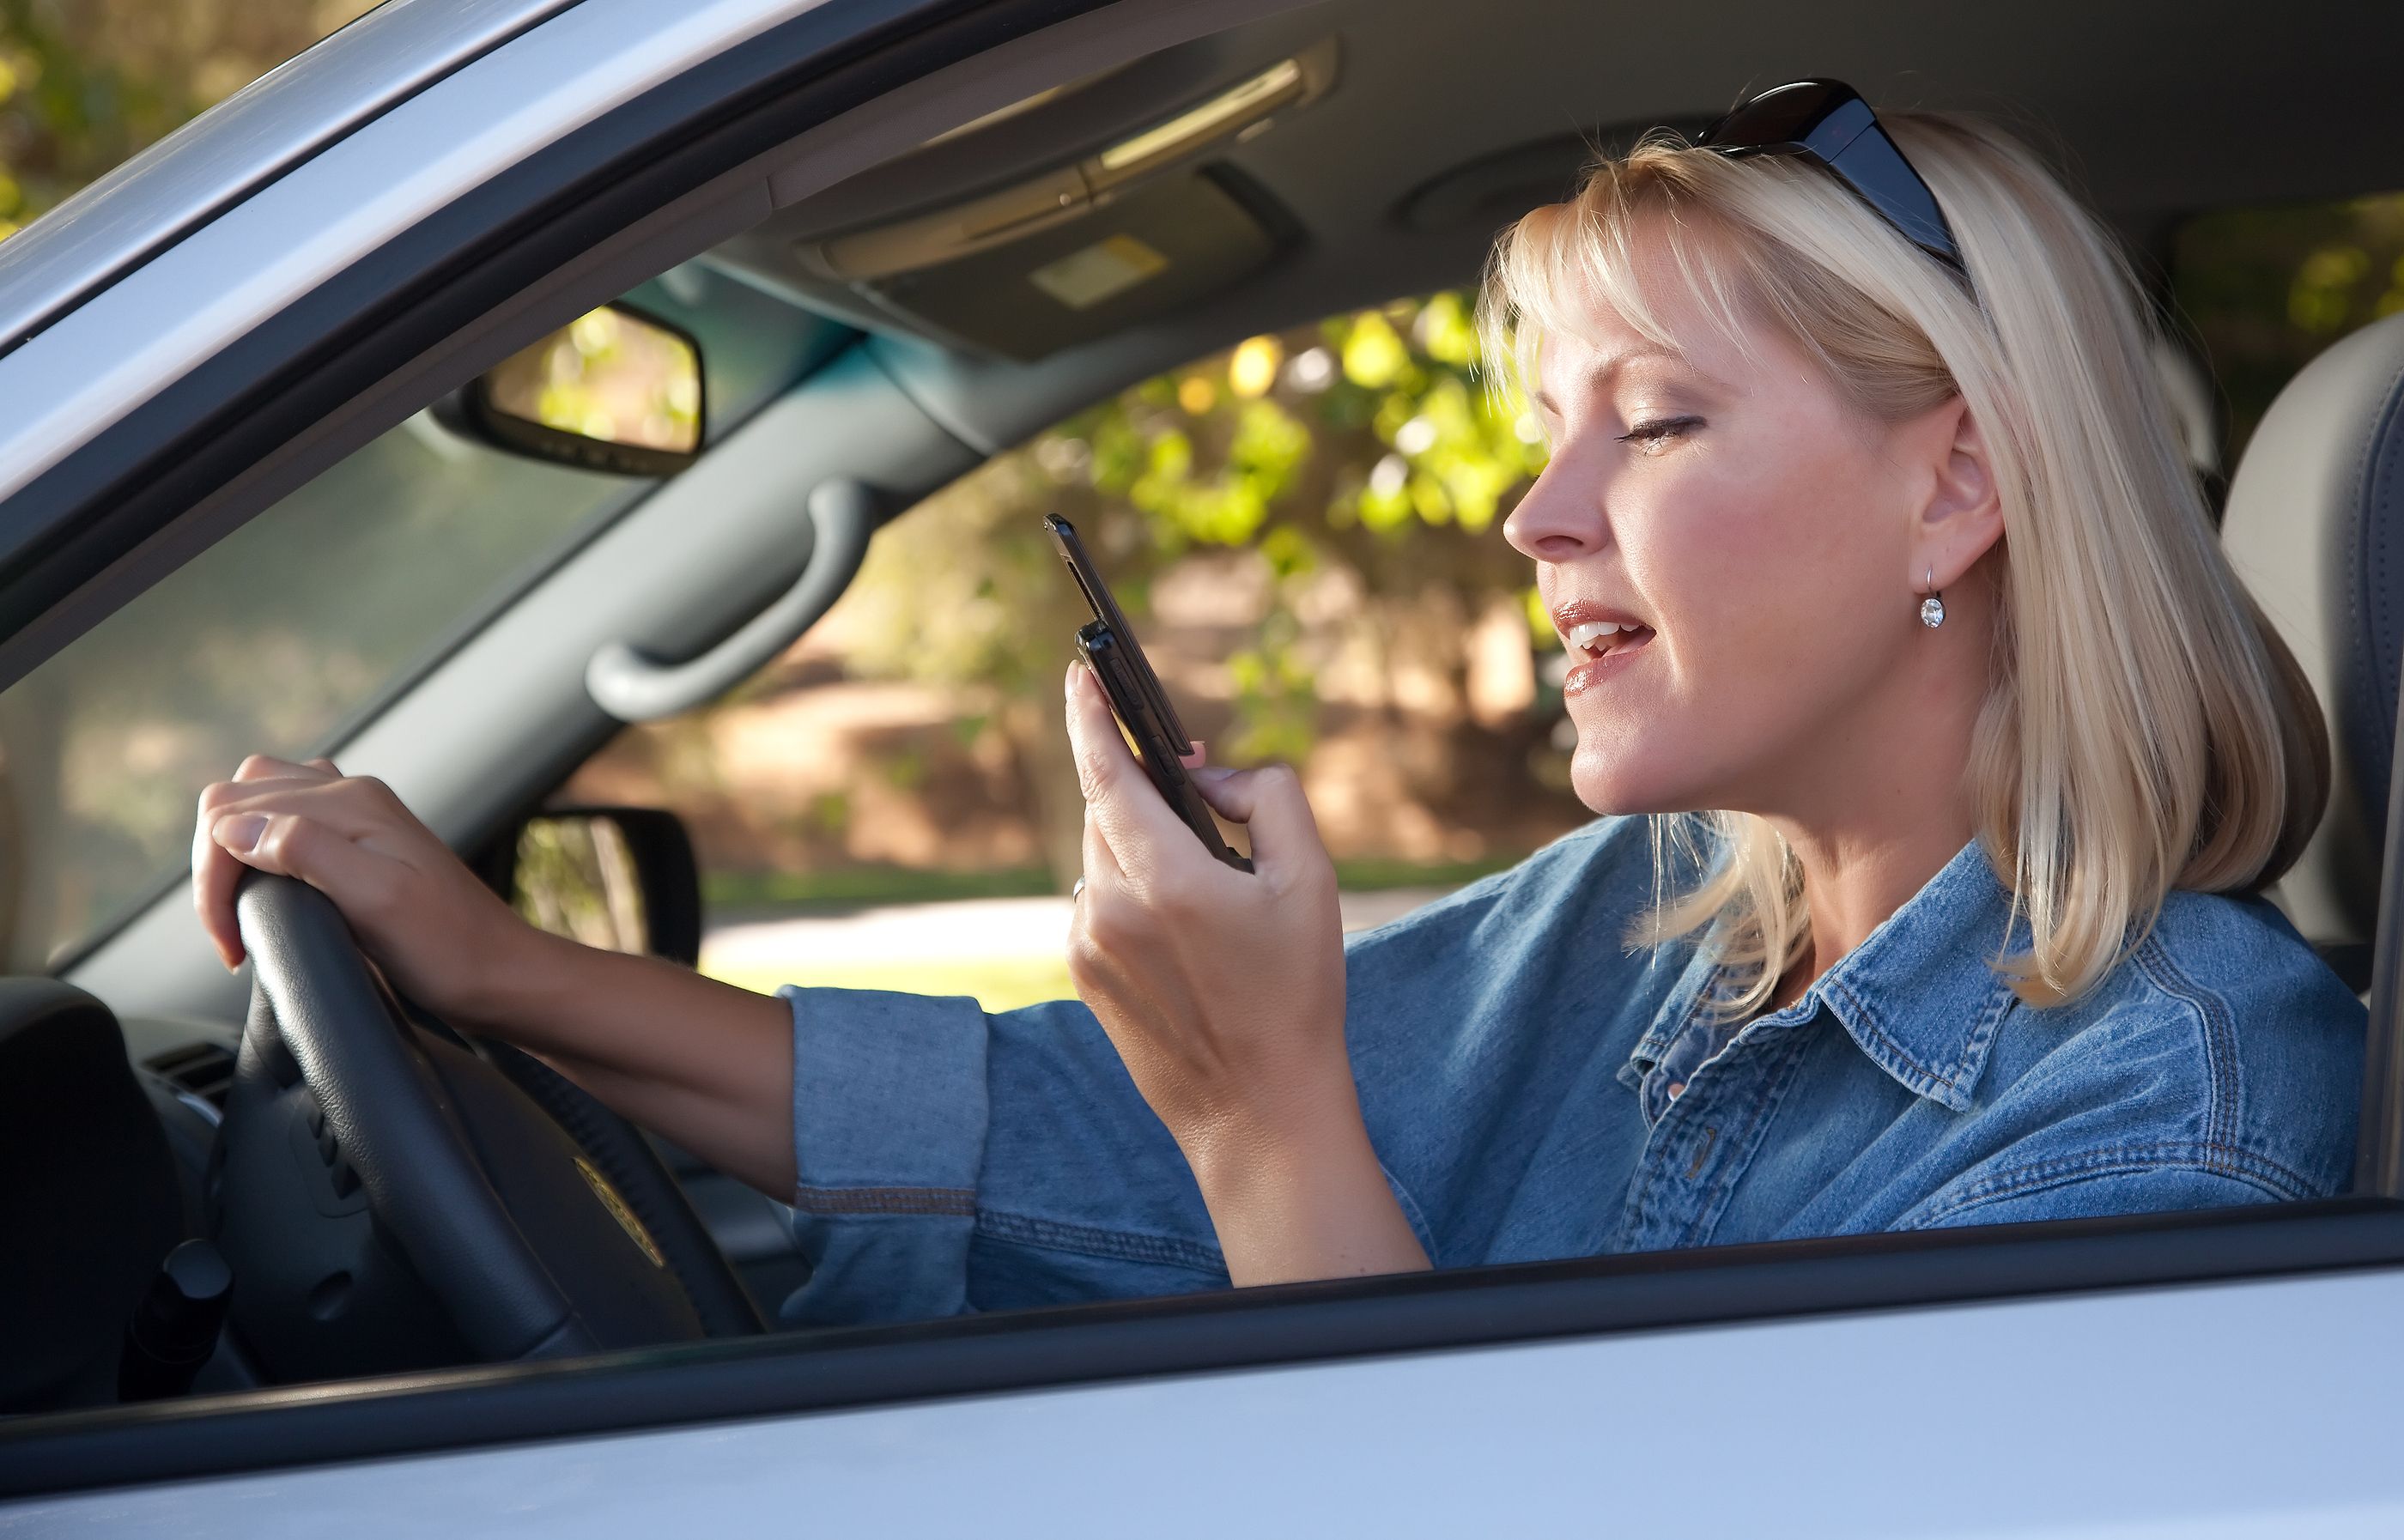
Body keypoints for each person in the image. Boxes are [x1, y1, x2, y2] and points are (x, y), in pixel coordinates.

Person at [191, 82, 2363, 1325]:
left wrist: (1265, 1107)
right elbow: (1034, 1134)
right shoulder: (1666, 906)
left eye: (1655, 425)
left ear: (1955, 487)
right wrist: (494, 972)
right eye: (1546, 432)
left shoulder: (2166, 1118)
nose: (1534, 514)